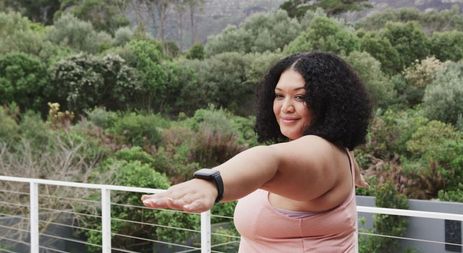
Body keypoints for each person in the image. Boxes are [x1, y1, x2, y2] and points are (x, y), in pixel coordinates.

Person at [142, 52, 372, 252]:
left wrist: (212, 182)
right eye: (280, 95)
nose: (286, 107)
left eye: (301, 97)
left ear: (329, 102)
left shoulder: (322, 150)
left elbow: (269, 159)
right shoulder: (336, 149)